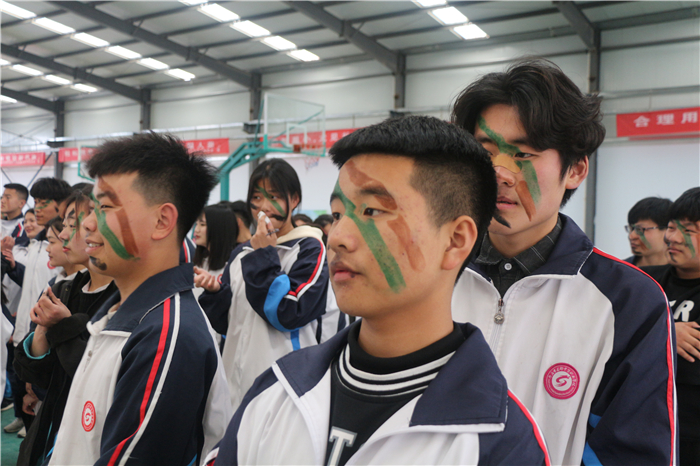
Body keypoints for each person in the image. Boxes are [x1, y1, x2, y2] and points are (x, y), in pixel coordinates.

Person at [206, 115, 550, 466]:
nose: (337, 238)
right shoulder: (279, 390)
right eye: (337, 215)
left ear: (454, 241)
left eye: (372, 211)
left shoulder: (501, 441)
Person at [450, 58, 676, 465]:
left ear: (575, 170)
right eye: (484, 153)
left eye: (522, 154)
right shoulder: (427, 276)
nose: (499, 173)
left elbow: (635, 451)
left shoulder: (628, 301)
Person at [46, 133, 231, 466]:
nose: (87, 224)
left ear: (162, 221)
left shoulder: (166, 337)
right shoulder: (123, 315)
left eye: (105, 207)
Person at [197, 158, 332, 410]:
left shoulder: (309, 249)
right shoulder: (241, 253)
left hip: (284, 391)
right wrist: (216, 293)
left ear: (294, 199)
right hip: (234, 386)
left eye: (274, 197)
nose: (264, 207)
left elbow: (289, 313)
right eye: (257, 198)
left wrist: (263, 255)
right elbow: (227, 324)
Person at [14, 190, 117, 466]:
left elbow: (95, 379)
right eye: (67, 224)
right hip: (52, 423)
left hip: (91, 432)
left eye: (74, 225)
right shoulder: (64, 289)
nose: (62, 235)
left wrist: (63, 326)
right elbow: (37, 373)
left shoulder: (121, 299)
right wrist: (41, 331)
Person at [644, 187, 700, 466]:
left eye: (687, 230)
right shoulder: (643, 283)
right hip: (646, 432)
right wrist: (667, 333)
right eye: (671, 226)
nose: (672, 237)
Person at [192, 204, 239, 299]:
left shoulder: (235, 265)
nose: (196, 230)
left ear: (218, 228)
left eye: (202, 224)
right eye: (196, 224)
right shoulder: (198, 262)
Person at [624, 196, 672, 266]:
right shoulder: (621, 269)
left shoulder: (684, 270)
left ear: (668, 230)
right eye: (631, 229)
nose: (631, 236)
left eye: (640, 229)